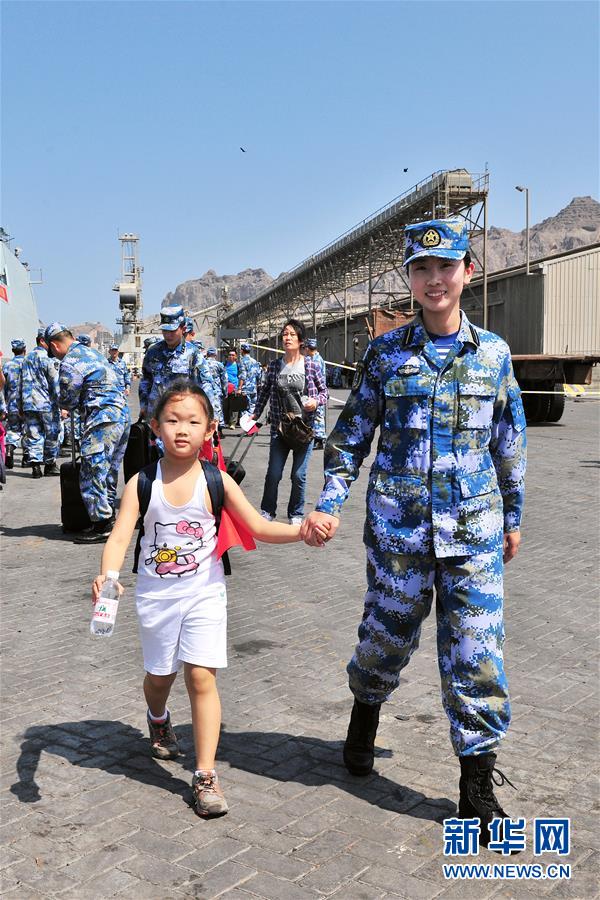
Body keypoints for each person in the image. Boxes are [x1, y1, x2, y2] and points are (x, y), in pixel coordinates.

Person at [301, 219, 527, 849]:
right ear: (409, 278)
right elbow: (350, 441)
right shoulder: (385, 354)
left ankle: (476, 787)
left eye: (445, 267)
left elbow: (509, 441)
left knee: (478, 656)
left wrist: (513, 515)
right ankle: (364, 713)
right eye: (421, 269)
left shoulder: (493, 356)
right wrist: (329, 502)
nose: (434, 280)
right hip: (400, 537)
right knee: (384, 640)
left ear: (467, 273)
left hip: (473, 535)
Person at [91, 379, 322, 817]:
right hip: (157, 597)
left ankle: (204, 774)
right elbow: (121, 534)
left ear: (210, 428)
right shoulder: (142, 482)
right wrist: (108, 575)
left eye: (193, 421)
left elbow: (257, 526)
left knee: (201, 677)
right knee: (160, 677)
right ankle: (158, 718)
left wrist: (301, 531)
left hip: (205, 593)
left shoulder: (216, 481)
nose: (182, 429)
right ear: (155, 426)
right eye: (173, 420)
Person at [45, 323, 130, 543]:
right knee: (108, 469)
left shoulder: (71, 362)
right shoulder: (91, 352)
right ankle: (108, 515)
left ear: (54, 345)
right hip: (120, 415)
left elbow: (67, 400)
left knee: (91, 469)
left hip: (102, 418)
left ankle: (101, 523)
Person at [252, 319, 327, 525]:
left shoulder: (310, 365)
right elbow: (265, 392)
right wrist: (254, 415)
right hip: (280, 428)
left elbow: (324, 392)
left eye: (292, 334)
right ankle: (268, 511)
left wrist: (315, 401)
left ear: (301, 339)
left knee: (298, 476)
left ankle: (296, 513)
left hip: (303, 429)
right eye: (285, 334)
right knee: (274, 474)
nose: (288, 337)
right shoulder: (276, 366)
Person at [139, 307, 216, 421]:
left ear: (183, 329)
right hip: (155, 415)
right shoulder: (153, 352)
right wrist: (144, 405)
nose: (168, 335)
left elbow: (205, 384)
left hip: (182, 416)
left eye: (172, 331)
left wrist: (210, 413)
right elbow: (146, 380)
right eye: (165, 331)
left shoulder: (193, 353)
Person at [21, 329, 62, 478]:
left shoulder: (26, 359)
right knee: (52, 433)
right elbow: (54, 382)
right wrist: (62, 404)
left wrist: (21, 404)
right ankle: (50, 464)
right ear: (42, 341)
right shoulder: (47, 359)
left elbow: (21, 382)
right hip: (46, 404)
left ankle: (36, 466)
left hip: (28, 403)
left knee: (33, 434)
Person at [3, 340, 27, 469]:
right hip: (28, 404)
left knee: (13, 430)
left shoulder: (7, 365)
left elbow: (3, 386)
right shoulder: (28, 364)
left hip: (12, 404)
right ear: (24, 349)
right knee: (28, 431)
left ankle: (9, 449)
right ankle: (27, 458)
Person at [304, 338, 328, 449]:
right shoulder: (316, 358)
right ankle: (316, 438)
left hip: (318, 392)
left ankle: (319, 439)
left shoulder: (316, 360)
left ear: (308, 348)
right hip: (318, 391)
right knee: (317, 416)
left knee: (318, 416)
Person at [205, 347, 228, 434]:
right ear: (215, 354)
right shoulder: (219, 365)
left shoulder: (203, 363)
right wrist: (225, 392)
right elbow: (224, 379)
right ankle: (219, 430)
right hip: (216, 390)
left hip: (205, 390)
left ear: (207, 354)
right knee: (218, 409)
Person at [238, 342, 262, 416]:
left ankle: (246, 425)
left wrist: (239, 388)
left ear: (242, 350)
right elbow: (259, 375)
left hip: (246, 388)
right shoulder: (255, 361)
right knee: (253, 407)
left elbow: (243, 376)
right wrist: (257, 384)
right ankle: (251, 425)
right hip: (253, 388)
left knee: (244, 408)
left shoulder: (243, 361)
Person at [223, 349, 241, 428]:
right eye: (230, 355)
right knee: (225, 406)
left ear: (236, 357)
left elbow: (241, 377)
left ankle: (233, 423)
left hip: (234, 388)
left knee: (234, 406)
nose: (231, 356)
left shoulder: (238, 366)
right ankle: (225, 421)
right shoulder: (223, 364)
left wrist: (239, 388)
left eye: (233, 355)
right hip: (225, 388)